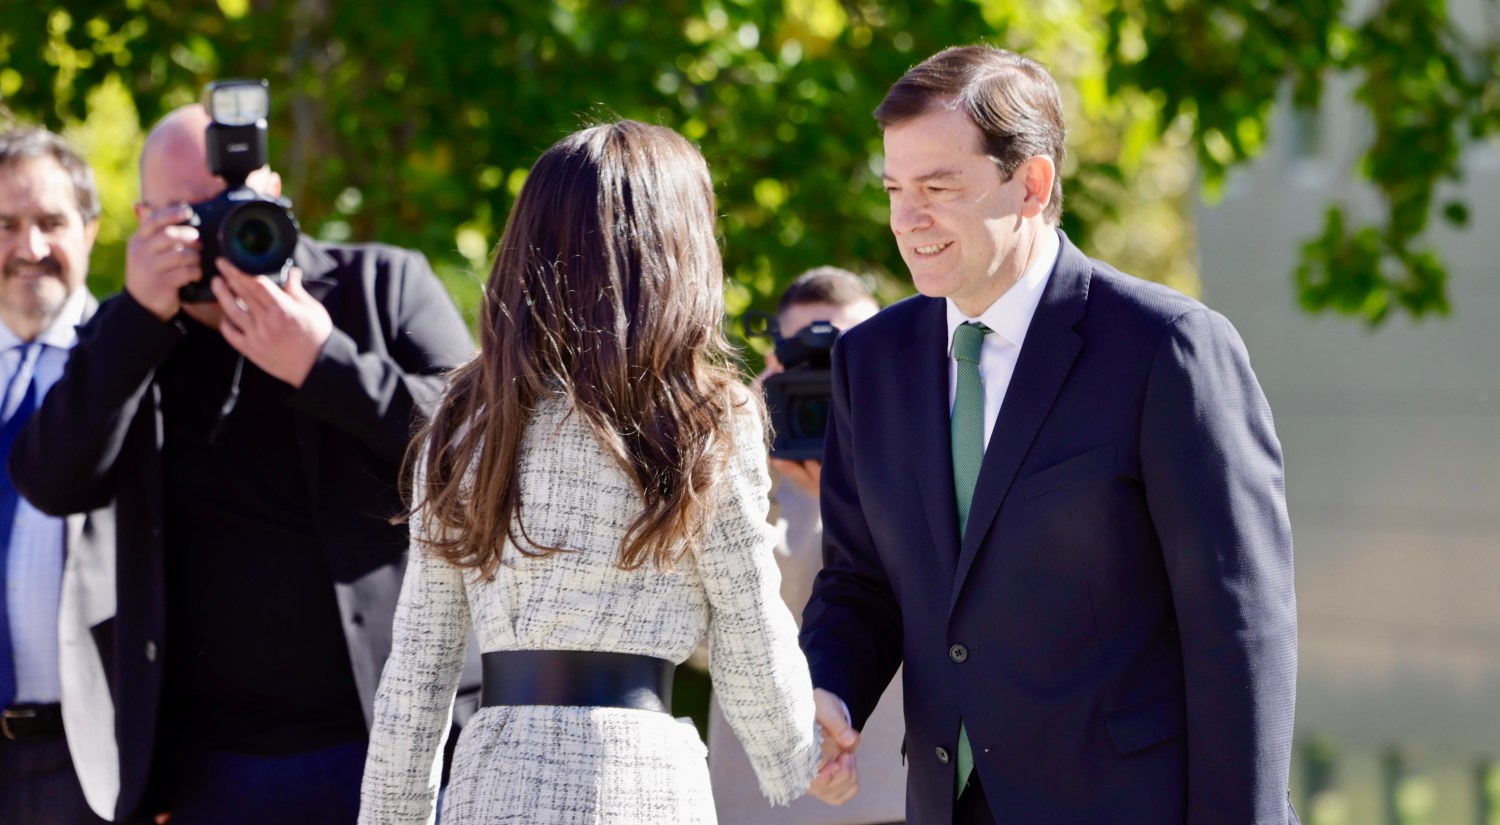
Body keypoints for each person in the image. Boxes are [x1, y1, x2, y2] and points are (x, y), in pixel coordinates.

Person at [801, 45, 1299, 823]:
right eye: (896, 189)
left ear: (1031, 183)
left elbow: (1239, 625)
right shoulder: (869, 361)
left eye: (938, 187)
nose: (907, 219)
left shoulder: (1165, 347)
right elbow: (860, 582)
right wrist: (827, 690)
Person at [9, 105, 476, 824]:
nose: (219, 232)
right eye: (187, 216)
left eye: (236, 203)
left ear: (275, 191)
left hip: (398, 739)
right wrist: (138, 319)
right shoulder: (130, 333)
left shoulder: (380, 285)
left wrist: (324, 362)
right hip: (211, 771)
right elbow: (51, 479)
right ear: (144, 221)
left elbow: (479, 454)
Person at [358, 120, 824, 825]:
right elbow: (747, 616)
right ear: (678, 253)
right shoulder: (704, 417)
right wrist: (799, 753)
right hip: (643, 780)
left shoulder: (468, 420)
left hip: (495, 779)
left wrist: (391, 814)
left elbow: (420, 665)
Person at [707, 267, 906, 825]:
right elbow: (698, 636)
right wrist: (741, 447)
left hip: (899, 792)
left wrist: (858, 499)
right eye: (807, 360)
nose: (830, 378)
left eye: (848, 356)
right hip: (760, 800)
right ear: (775, 363)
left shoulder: (918, 451)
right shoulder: (735, 467)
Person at [0, 126, 110, 825]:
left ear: (91, 229)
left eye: (51, 222)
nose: (29, 247)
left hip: (96, 762)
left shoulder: (138, 368)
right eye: (5, 225)